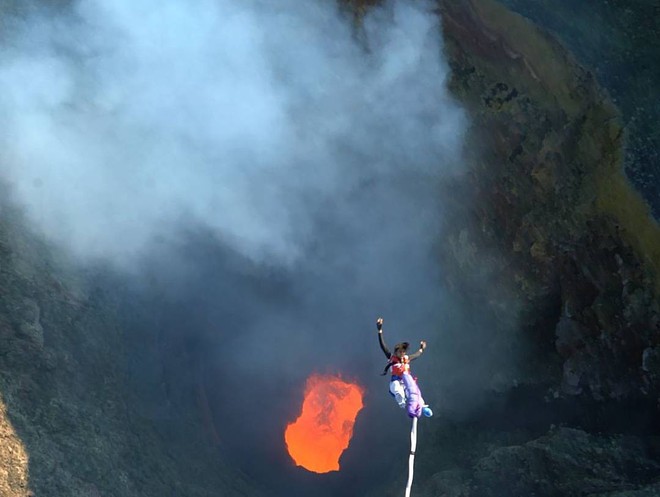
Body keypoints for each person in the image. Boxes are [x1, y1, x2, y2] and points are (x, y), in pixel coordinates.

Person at [377, 317, 432, 418]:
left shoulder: (407, 358)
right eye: (400, 352)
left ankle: (423, 407)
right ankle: (402, 403)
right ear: (396, 352)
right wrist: (379, 330)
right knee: (398, 391)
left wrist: (421, 350)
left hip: (407, 382)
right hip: (396, 381)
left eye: (403, 352)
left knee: (414, 392)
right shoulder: (391, 357)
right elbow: (382, 346)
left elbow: (416, 355)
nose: (402, 354)